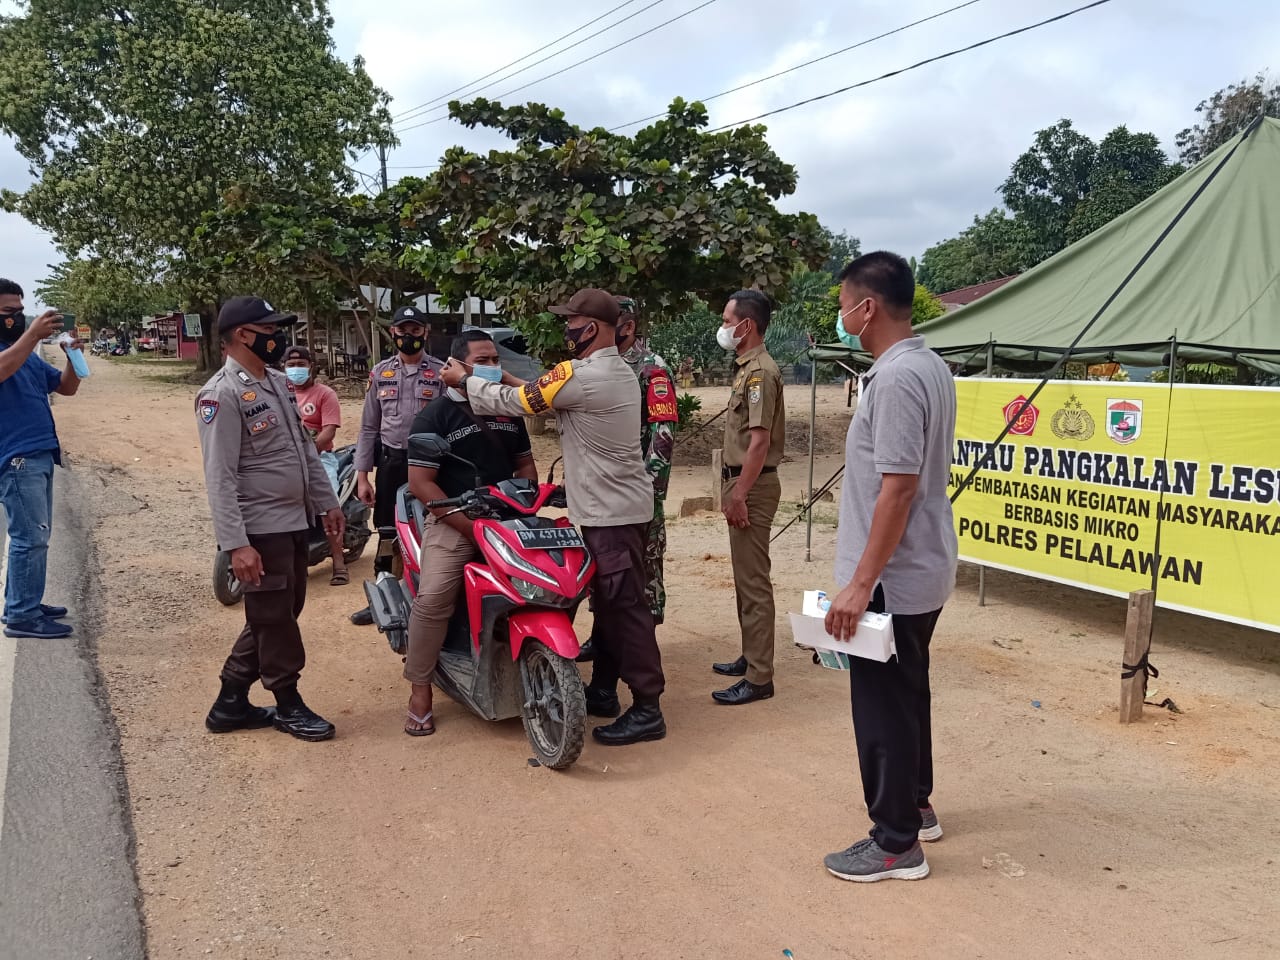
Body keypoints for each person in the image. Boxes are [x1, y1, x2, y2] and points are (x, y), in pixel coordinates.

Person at [440, 288, 666, 746]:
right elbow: (534, 389)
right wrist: (495, 375)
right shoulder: (610, 370)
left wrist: (466, 382)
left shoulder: (585, 375)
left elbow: (520, 401)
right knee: (610, 605)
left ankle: (648, 707)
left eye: (572, 322)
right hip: (610, 508)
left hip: (613, 514)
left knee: (626, 611)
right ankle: (603, 690)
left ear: (595, 328)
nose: (566, 330)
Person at [821, 252, 958, 883]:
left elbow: (897, 490)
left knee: (880, 709)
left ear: (866, 307)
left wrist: (859, 584)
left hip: (894, 581)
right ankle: (917, 805)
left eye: (843, 302)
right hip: (917, 572)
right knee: (907, 698)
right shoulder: (926, 365)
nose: (841, 313)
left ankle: (896, 841)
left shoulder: (899, 378)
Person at [195, 296, 345, 742]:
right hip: (260, 527)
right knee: (275, 616)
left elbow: (304, 453)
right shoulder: (220, 394)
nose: (280, 337)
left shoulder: (278, 383)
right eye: (271, 329)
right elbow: (218, 477)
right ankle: (287, 702)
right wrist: (235, 544)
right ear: (243, 335)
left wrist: (328, 502)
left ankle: (230, 703)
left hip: (293, 519)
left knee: (277, 611)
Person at [402, 330, 537, 735]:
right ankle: (420, 687)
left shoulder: (508, 412)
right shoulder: (434, 417)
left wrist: (525, 503)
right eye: (484, 359)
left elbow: (525, 467)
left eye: (496, 359)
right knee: (435, 597)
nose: (493, 367)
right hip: (453, 520)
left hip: (507, 520)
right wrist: (472, 527)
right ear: (457, 365)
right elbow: (422, 485)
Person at [579, 297, 677, 715]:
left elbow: (663, 434)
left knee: (637, 592)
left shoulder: (650, 368)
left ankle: (635, 686)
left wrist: (651, 496)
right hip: (607, 499)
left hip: (636, 501)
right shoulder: (599, 367)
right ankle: (605, 675)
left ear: (628, 325)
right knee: (609, 589)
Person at [710, 289, 785, 705]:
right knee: (744, 578)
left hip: (751, 485)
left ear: (746, 325)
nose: (723, 328)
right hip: (741, 482)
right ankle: (750, 656)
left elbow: (759, 443)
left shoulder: (759, 372)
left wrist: (739, 494)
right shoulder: (746, 367)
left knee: (753, 582)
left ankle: (759, 677)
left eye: (726, 321)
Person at [350, 305, 445, 625]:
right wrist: (362, 477)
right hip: (391, 462)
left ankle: (424, 598)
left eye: (415, 330)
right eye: (403, 331)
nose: (409, 337)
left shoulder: (441, 373)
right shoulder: (380, 374)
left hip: (431, 464)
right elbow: (367, 429)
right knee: (389, 531)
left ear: (425, 332)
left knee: (431, 529)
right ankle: (383, 600)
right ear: (393, 333)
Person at [0, 279, 82, 639]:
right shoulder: (14, 351)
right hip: (17, 457)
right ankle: (21, 615)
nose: (18, 317)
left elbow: (64, 387)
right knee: (29, 537)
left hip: (40, 452)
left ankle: (25, 601)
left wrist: (72, 359)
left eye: (21, 311)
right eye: (9, 312)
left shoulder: (25, 355)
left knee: (36, 536)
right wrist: (32, 334)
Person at [283, 345, 348, 586]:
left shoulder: (324, 394)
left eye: (301, 365)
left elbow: (328, 431)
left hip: (319, 459)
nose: (296, 369)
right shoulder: (278, 393)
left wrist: (308, 452)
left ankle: (339, 561)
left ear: (311, 366)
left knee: (326, 506)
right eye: (291, 365)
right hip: (286, 461)